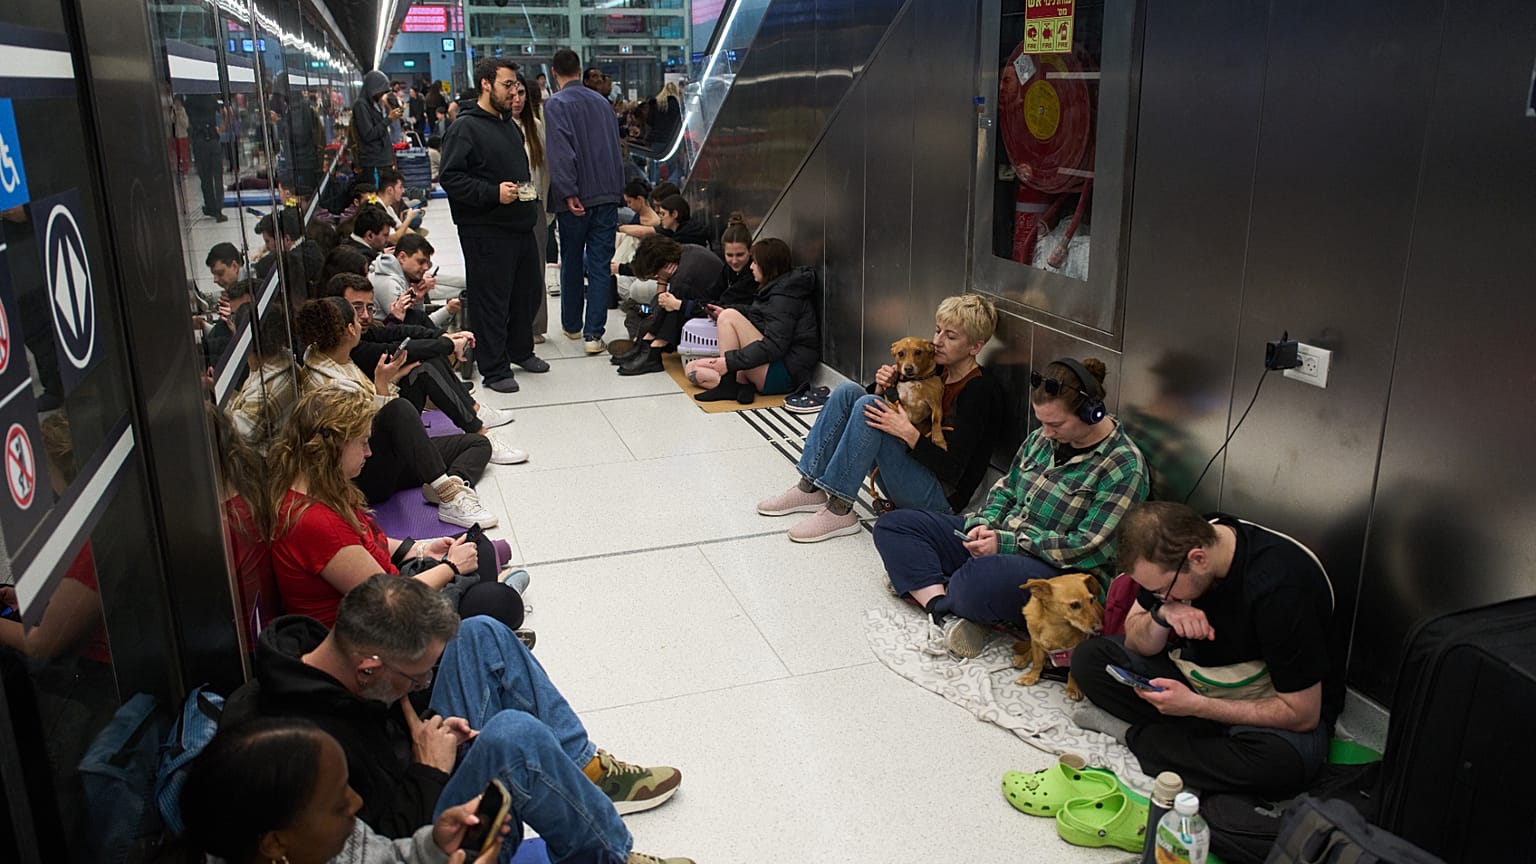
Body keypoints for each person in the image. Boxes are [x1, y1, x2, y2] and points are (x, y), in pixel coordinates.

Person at [222, 574, 693, 864]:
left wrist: (421, 721)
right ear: (369, 668)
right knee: (516, 736)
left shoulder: (322, 656)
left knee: (479, 634)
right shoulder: (309, 751)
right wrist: (431, 765)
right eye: (417, 676)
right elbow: (380, 842)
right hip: (413, 819)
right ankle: (606, 857)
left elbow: (394, 701)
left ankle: (582, 765)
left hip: (412, 764)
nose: (427, 681)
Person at [873, 358, 1149, 657]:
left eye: (1055, 424)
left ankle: (929, 582)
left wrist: (1006, 544)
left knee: (978, 577)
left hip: (1056, 568)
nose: (1046, 433)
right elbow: (1006, 489)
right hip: (1001, 541)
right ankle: (941, 608)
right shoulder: (1041, 440)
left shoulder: (1123, 466)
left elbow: (1088, 547)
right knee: (895, 526)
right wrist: (985, 524)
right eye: (1042, 422)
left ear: (1092, 414)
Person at [1068, 502, 1340, 796]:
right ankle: (1194, 744)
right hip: (1200, 678)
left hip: (1270, 701)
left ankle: (1133, 735)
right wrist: (1164, 614)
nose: (1162, 596)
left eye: (1164, 590)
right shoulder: (1175, 547)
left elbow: (1303, 714)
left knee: (1281, 767)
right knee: (1089, 659)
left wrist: (1196, 706)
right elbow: (1135, 640)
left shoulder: (1281, 589)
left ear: (1198, 560)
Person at [265, 387, 524, 632]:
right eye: (362, 443)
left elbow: (360, 540)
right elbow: (387, 602)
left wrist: (419, 549)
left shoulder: (311, 487)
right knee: (501, 602)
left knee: (482, 549)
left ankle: (481, 601)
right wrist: (450, 568)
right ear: (335, 446)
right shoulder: (316, 522)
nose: (368, 452)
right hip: (377, 634)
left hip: (381, 591)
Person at [757, 295, 1005, 542]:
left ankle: (839, 509)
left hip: (941, 499)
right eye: (937, 331)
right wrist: (881, 386)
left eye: (950, 337)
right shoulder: (936, 368)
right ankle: (809, 486)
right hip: (914, 471)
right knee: (849, 392)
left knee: (869, 405)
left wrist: (908, 433)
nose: (937, 342)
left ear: (975, 347)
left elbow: (954, 469)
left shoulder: (979, 390)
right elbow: (866, 409)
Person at [179, 717, 511, 864]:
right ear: (275, 842)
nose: (357, 802)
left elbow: (388, 858)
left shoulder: (332, 839)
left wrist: (433, 848)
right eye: (338, 804)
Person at [296, 297, 499, 527]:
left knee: (478, 444)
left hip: (378, 454)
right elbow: (363, 431)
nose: (365, 319)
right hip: (364, 473)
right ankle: (448, 495)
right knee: (399, 408)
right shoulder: (333, 383)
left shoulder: (327, 356)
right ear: (351, 329)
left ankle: (448, 482)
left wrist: (387, 381)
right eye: (357, 314)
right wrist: (382, 385)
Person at [439, 57, 549, 394]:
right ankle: (494, 367)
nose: (514, 91)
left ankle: (520, 350)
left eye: (516, 85)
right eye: (507, 85)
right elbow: (451, 177)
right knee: (491, 301)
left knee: (526, 294)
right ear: (486, 84)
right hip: (485, 229)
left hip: (519, 224)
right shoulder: (465, 127)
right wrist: (491, 193)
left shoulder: (508, 125)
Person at [546, 48, 626, 354]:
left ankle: (572, 325)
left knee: (571, 259)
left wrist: (568, 192)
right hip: (607, 193)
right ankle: (594, 335)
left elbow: (561, 152)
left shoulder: (555, 105)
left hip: (576, 198)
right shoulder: (602, 103)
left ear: (555, 73)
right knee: (600, 264)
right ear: (579, 69)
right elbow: (614, 149)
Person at [683, 238, 819, 405]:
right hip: (771, 367)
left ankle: (730, 383)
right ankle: (740, 385)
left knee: (728, 316)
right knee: (692, 369)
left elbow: (775, 346)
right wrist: (730, 310)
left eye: (755, 262)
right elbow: (761, 316)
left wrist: (729, 362)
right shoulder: (775, 288)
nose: (751, 267)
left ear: (767, 265)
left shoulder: (784, 297)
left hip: (783, 374)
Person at [609, 235, 724, 376]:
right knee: (665, 305)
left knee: (669, 307)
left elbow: (669, 304)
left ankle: (651, 348)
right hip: (701, 303)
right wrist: (662, 281)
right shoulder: (686, 251)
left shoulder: (682, 279)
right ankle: (647, 345)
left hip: (709, 311)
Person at [508, 69, 554, 347]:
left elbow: (545, 172)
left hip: (534, 204)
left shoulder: (536, 127)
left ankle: (536, 325)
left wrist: (546, 209)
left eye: (522, 93)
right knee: (510, 268)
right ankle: (511, 324)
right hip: (506, 205)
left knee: (536, 268)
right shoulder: (497, 127)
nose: (516, 99)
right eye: (512, 93)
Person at [352, 71, 401, 188]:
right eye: (380, 91)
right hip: (374, 162)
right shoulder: (361, 106)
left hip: (382, 161)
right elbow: (369, 134)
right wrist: (388, 119)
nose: (381, 95)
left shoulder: (373, 105)